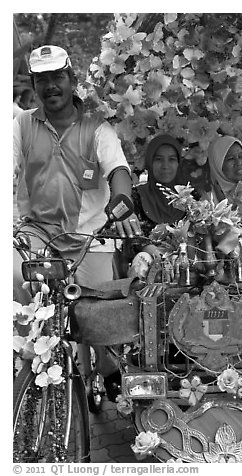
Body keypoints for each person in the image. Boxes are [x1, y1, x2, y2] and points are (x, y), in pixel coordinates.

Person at [13, 45, 141, 395]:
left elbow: (117, 168)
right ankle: (25, 359)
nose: (51, 86)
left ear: (72, 80)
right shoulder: (22, 124)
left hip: (90, 238)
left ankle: (108, 367)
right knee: (11, 273)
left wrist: (122, 198)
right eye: (42, 80)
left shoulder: (97, 128)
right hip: (35, 234)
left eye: (58, 77)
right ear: (34, 85)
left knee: (102, 321)